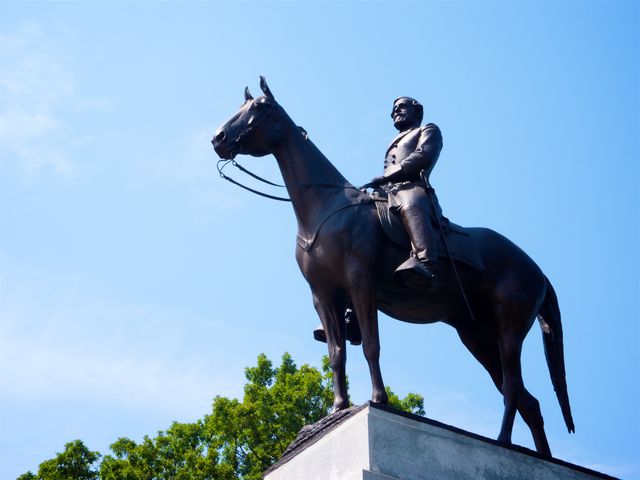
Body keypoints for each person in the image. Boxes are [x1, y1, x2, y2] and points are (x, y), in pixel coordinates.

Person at [365, 96, 443, 290]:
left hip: (411, 186)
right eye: (393, 110)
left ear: (416, 111)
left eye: (400, 107)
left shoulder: (428, 130)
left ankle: (426, 263)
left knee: (411, 206)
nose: (395, 112)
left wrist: (389, 174)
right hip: (389, 191)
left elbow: (423, 155)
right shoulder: (395, 140)